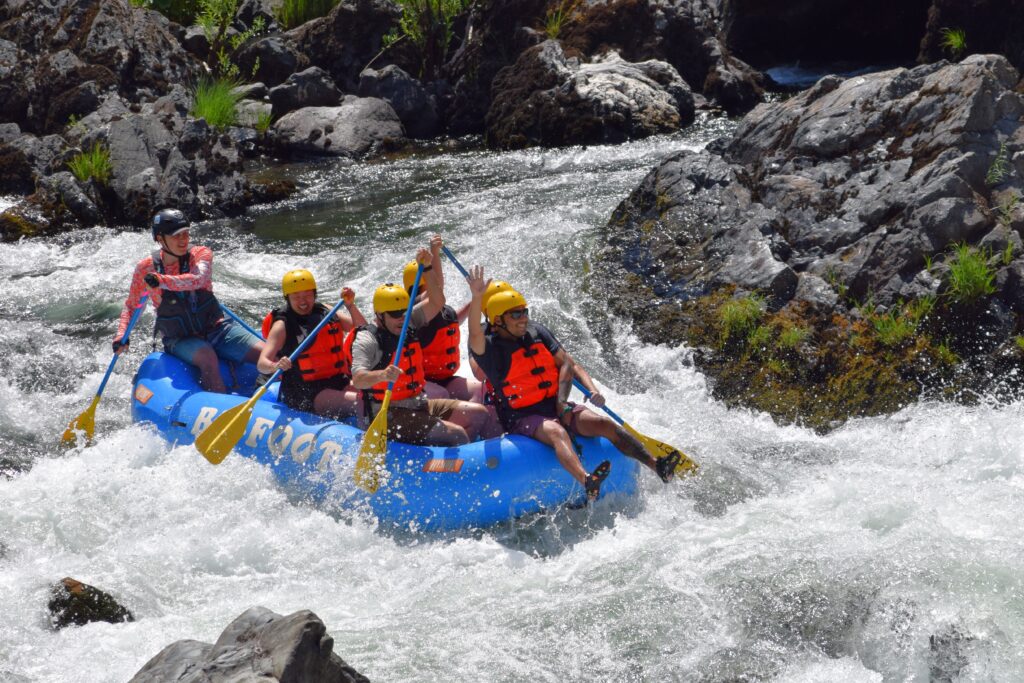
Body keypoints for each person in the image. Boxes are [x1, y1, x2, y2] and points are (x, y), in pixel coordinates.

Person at [466, 265, 680, 501]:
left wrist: (579, 395)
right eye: (515, 314)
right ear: (497, 320)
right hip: (522, 417)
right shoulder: (490, 349)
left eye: (524, 311)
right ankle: (587, 481)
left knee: (602, 423)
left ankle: (656, 465)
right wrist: (477, 298)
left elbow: (567, 364)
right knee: (557, 432)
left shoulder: (537, 332)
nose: (523, 318)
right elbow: (474, 332)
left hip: (555, 405)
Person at [349, 247, 490, 446]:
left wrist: (427, 267)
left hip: (418, 404)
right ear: (380, 316)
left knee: (478, 414)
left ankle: (453, 455)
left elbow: (437, 300)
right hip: (386, 412)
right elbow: (358, 379)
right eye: (395, 315)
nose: (401, 318)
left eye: (403, 312)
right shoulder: (368, 339)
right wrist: (382, 375)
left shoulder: (409, 321)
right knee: (456, 434)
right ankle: (450, 462)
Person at [114, 208, 263, 392]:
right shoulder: (146, 268)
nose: (183, 239)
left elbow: (198, 279)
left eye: (186, 233)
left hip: (216, 328)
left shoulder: (201, 254)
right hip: (179, 338)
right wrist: (122, 335)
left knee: (266, 353)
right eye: (176, 235)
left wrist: (162, 281)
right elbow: (132, 306)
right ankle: (221, 409)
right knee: (207, 357)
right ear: (160, 238)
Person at [256, 269, 366, 417]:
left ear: (314, 294)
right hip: (306, 392)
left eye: (307, 295)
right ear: (287, 298)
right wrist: (275, 366)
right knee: (361, 403)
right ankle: (367, 439)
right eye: (296, 296)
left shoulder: (326, 311)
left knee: (374, 396)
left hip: (339, 381)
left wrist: (350, 306)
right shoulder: (282, 325)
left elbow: (363, 331)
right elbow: (262, 363)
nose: (303, 301)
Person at [400, 236, 481, 402]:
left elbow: (451, 324)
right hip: (421, 383)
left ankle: (474, 423)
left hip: (444, 379)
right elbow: (438, 287)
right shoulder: (415, 306)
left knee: (480, 390)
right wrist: (434, 256)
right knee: (442, 395)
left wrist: (477, 298)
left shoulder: (441, 309)